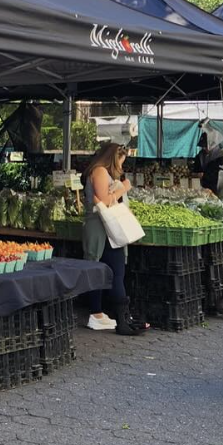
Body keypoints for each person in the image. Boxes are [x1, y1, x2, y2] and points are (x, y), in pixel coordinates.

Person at [82, 141, 147, 337]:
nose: (121, 166)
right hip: (103, 230)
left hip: (105, 229)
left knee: (102, 271)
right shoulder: (100, 171)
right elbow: (104, 202)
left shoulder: (100, 171)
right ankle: (119, 318)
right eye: (121, 161)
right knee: (114, 271)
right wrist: (123, 187)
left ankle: (100, 313)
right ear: (113, 158)